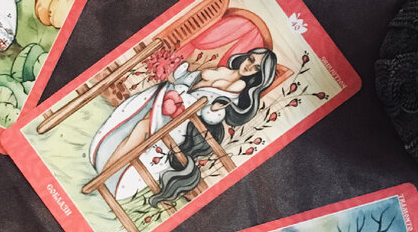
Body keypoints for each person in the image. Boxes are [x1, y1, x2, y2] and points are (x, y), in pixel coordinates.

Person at [88, 49, 277, 205]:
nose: (249, 66)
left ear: (259, 75)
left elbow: (211, 116)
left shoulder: (239, 88)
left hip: (184, 120)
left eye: (256, 68)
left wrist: (214, 109)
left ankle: (106, 176)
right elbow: (189, 81)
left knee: (142, 127)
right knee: (137, 123)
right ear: (246, 56)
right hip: (173, 101)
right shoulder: (223, 69)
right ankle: (106, 172)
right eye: (251, 59)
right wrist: (180, 71)